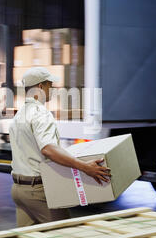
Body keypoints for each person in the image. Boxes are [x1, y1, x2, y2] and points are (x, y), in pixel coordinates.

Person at [9, 67, 111, 227]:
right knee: (65, 236)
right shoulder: (40, 113)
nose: (53, 89)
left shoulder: (19, 115)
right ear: (40, 87)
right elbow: (48, 149)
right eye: (50, 84)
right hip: (37, 191)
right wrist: (85, 167)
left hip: (18, 190)